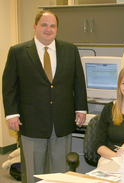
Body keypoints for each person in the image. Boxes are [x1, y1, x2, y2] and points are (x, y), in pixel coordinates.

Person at [2, 10, 88, 182]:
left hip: (61, 121)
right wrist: (12, 114)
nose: (48, 29)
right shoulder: (18, 52)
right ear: (35, 27)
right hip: (31, 122)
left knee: (60, 171)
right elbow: (9, 86)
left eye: (52, 26)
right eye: (44, 25)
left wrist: (81, 108)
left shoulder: (70, 50)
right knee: (34, 170)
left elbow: (78, 82)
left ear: (57, 29)